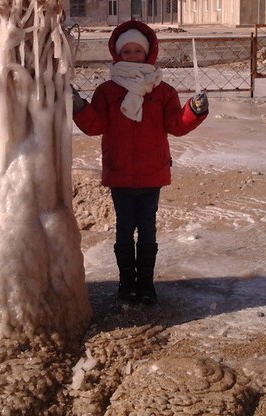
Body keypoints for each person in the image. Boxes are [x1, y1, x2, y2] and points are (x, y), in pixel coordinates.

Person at [72, 20, 209, 304]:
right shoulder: (107, 91)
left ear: (148, 53)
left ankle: (146, 285)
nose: (132, 56)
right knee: (124, 228)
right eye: (127, 52)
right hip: (120, 172)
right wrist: (80, 107)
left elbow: (175, 124)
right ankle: (126, 284)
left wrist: (193, 111)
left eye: (137, 51)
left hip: (152, 172)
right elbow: (95, 125)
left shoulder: (163, 91)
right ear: (117, 55)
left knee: (147, 228)